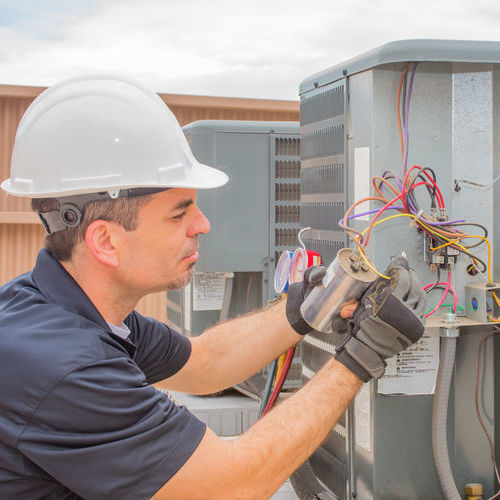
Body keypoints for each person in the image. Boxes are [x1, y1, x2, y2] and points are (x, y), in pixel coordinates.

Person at [0, 76, 427, 500]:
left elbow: (205, 363)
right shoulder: (64, 368)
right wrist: (360, 358)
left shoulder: (73, 311)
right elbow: (231, 485)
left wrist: (302, 307)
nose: (202, 224)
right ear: (105, 241)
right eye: (178, 214)